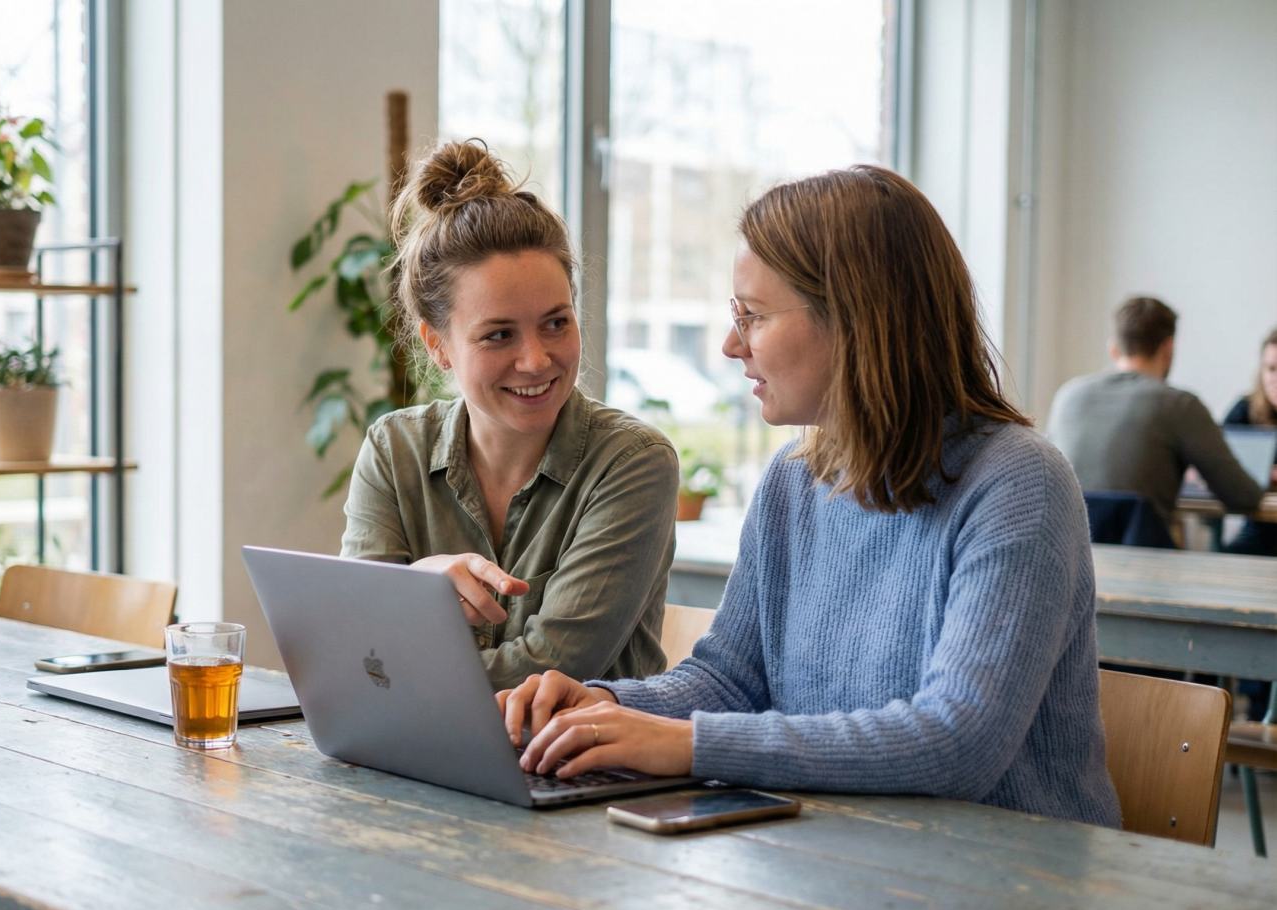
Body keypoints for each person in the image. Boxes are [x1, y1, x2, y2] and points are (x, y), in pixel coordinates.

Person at [498, 165, 1121, 829]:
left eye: (753, 316)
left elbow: (956, 743)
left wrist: (688, 746)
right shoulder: (793, 480)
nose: (730, 344)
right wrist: (599, 709)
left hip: (1014, 886)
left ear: (856, 319)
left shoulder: (1018, 483)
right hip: (847, 859)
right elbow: (730, 681)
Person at [341, 140, 679, 691]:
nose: (536, 359)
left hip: (581, 770)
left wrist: (388, 665)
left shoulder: (633, 463)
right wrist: (416, 588)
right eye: (499, 334)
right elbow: (348, 635)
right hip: (417, 755)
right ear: (438, 345)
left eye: (556, 323)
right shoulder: (393, 448)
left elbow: (551, 668)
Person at [1045, 297, 1263, 540]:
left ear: (1113, 348)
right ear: (1168, 348)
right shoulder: (1181, 405)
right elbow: (1243, 496)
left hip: (1068, 560)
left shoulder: (1068, 395)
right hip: (1143, 566)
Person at [1222, 328, 1277, 556]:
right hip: (1260, 528)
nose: (1275, 377)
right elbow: (1215, 461)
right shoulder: (1244, 410)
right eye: (1271, 369)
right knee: (1225, 563)